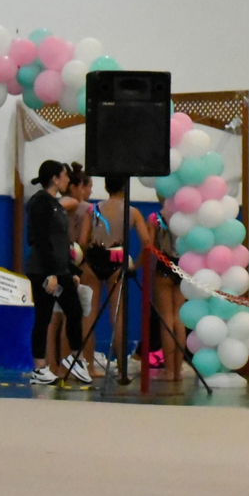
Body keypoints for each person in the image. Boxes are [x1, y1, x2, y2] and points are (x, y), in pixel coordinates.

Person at [75, 173, 152, 377]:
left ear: (106, 187)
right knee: (118, 315)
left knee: (88, 315)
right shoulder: (132, 212)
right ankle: (121, 371)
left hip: (93, 260)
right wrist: (136, 265)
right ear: (125, 189)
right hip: (117, 260)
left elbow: (82, 241)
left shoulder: (93, 209)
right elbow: (147, 243)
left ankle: (88, 366)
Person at [24, 161, 91, 385]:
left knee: (74, 309)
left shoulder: (55, 204)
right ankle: (39, 367)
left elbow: (61, 241)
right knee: (43, 317)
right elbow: (40, 240)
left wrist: (70, 270)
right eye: (64, 176)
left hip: (58, 269)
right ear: (54, 178)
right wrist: (50, 274)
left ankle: (76, 357)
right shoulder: (40, 202)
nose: (67, 181)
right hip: (43, 271)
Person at [148, 207, 184, 382]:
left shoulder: (156, 217)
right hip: (183, 266)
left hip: (164, 267)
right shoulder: (185, 215)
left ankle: (169, 371)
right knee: (179, 318)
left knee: (167, 319)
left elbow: (151, 247)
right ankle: (178, 371)